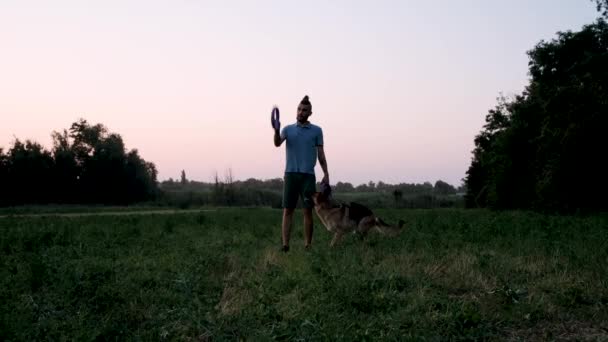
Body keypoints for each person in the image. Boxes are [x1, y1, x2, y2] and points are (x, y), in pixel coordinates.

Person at [272, 95, 329, 252]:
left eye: (304, 110)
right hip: (290, 175)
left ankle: (308, 245)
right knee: (288, 210)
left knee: (307, 211)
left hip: (308, 176)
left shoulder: (317, 131)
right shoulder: (288, 129)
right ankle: (285, 245)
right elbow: (277, 143)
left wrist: (326, 173)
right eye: (299, 109)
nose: (301, 112)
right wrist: (276, 130)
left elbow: (321, 154)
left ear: (310, 113)